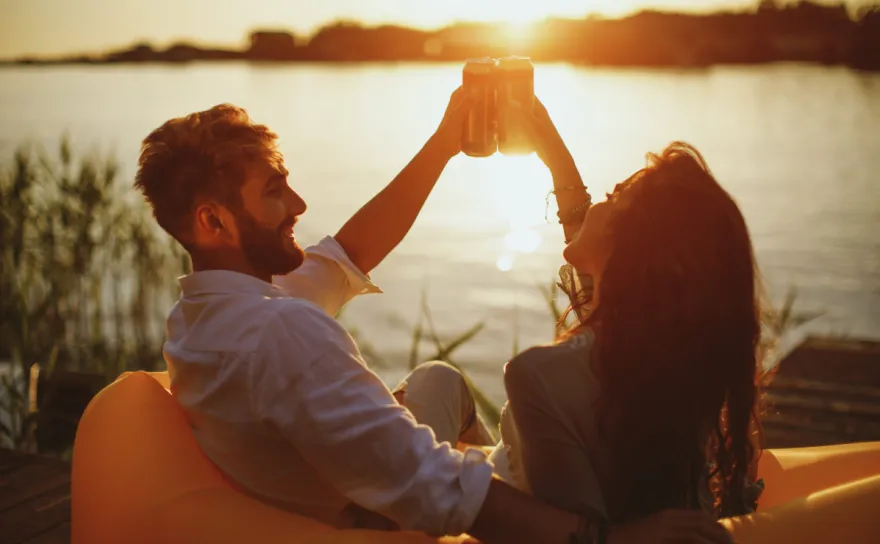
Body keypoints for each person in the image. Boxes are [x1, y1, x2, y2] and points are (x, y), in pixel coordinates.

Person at [133, 88, 734, 544]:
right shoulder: (281, 333)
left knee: (438, 380)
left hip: (323, 483)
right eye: (273, 192)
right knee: (479, 448)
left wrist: (447, 140)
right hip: (372, 522)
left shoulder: (205, 314)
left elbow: (349, 254)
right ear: (213, 221)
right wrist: (611, 540)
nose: (298, 204)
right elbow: (434, 486)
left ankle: (514, 461)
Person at [492, 97, 880, 542]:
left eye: (612, 198)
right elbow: (590, 235)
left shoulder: (536, 377)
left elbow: (574, 531)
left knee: (436, 383)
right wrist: (552, 149)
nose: (596, 204)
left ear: (625, 243)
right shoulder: (668, 367)